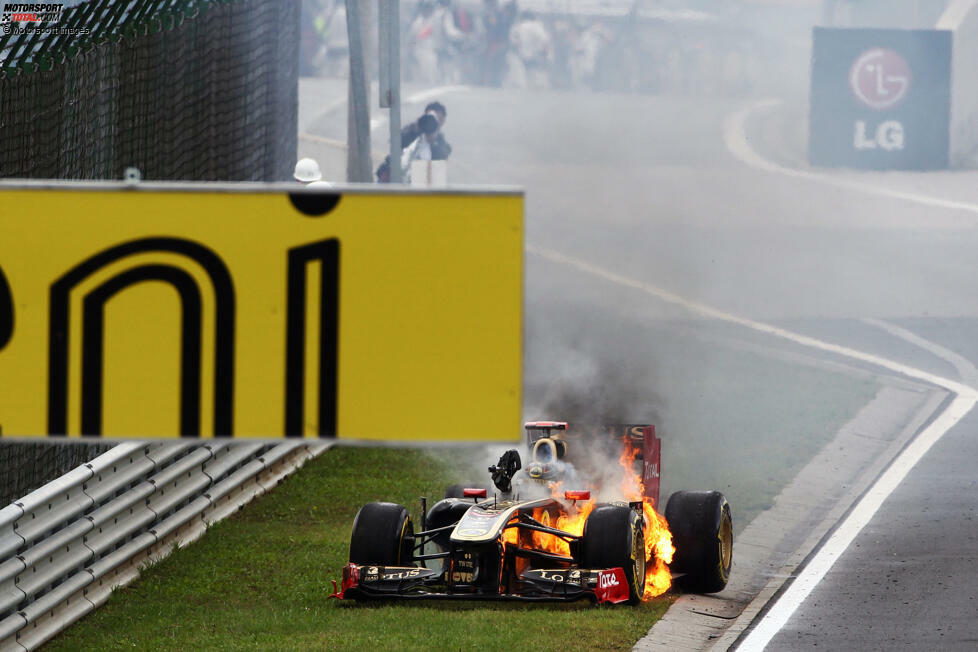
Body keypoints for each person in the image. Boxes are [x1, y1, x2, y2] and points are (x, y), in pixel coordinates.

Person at [375, 102, 452, 182]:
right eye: (429, 117)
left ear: (443, 121)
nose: (431, 122)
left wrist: (433, 142)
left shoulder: (441, 143)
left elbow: (442, 158)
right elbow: (395, 142)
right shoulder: (413, 130)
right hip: (395, 177)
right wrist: (415, 129)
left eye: (436, 119)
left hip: (420, 182)